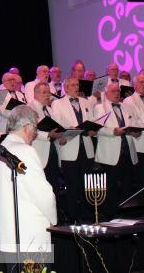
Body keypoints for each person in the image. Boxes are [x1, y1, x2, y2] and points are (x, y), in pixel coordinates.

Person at [0, 105, 57, 267]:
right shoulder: (25, 151)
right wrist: (53, 219)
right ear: (27, 126)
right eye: (35, 128)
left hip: (8, 238)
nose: (35, 133)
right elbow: (43, 194)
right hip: (30, 237)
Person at [51, 76, 96, 222]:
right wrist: (68, 129)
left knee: (87, 183)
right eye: (72, 85)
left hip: (86, 146)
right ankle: (73, 216)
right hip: (69, 147)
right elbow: (57, 125)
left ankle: (87, 214)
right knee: (72, 185)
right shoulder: (57, 103)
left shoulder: (86, 101)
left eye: (77, 85)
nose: (76, 87)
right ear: (65, 88)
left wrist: (93, 130)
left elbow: (92, 121)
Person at [94, 83, 139, 218]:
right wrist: (113, 131)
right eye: (113, 91)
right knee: (111, 186)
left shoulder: (126, 106)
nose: (117, 93)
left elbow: (134, 124)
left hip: (127, 151)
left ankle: (128, 214)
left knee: (127, 184)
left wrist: (136, 131)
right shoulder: (100, 108)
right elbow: (97, 128)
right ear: (106, 93)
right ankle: (111, 215)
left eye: (118, 91)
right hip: (110, 153)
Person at [27, 82, 63, 191]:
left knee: (54, 185)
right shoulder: (29, 108)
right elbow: (29, 130)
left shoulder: (49, 109)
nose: (48, 95)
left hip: (52, 149)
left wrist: (61, 135)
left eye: (48, 92)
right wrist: (47, 134)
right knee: (41, 187)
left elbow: (56, 127)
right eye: (44, 92)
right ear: (35, 94)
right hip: (39, 151)